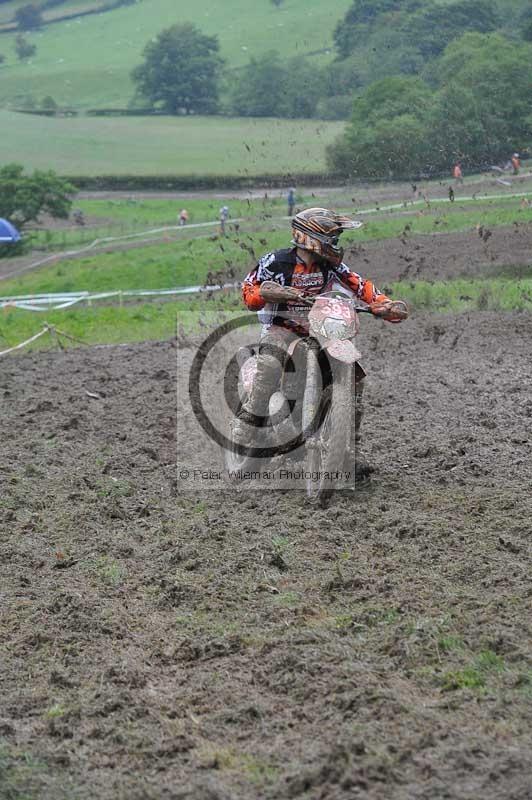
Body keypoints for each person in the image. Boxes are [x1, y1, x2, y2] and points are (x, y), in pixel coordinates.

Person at [231, 208, 409, 477]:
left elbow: (360, 286)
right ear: (310, 238)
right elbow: (249, 288)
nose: (336, 245)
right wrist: (264, 294)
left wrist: (382, 304)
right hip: (283, 328)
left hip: (322, 329)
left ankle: (346, 449)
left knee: (355, 376)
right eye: (332, 239)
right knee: (268, 364)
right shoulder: (276, 262)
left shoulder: (332, 266)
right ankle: (249, 419)